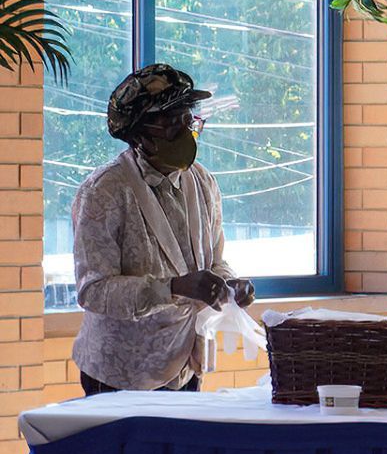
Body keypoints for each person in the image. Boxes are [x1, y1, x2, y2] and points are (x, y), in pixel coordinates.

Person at [72, 64, 256, 395]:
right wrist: (173, 287)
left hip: (186, 365)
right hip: (121, 372)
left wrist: (229, 285)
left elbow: (214, 261)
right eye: (173, 125)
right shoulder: (105, 191)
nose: (185, 133)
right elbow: (94, 291)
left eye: (189, 121)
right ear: (139, 135)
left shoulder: (203, 182)